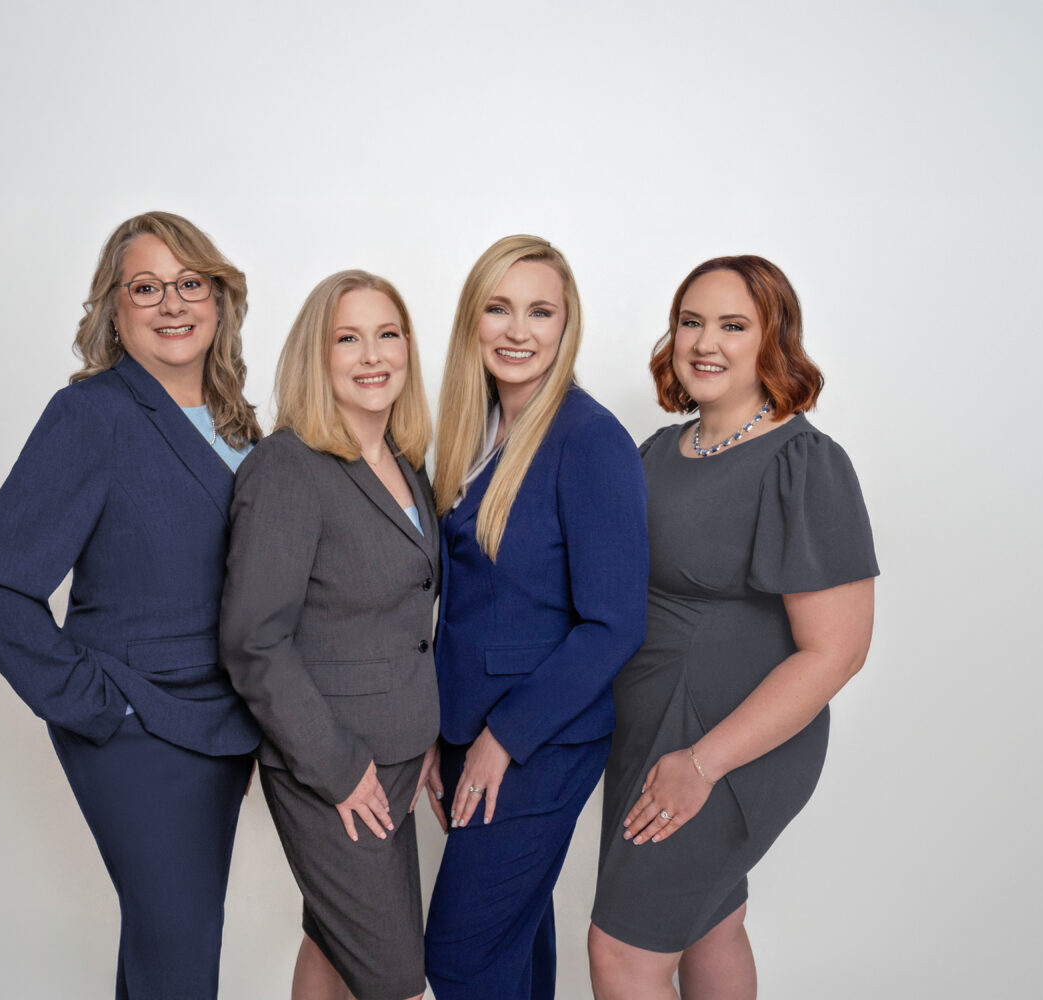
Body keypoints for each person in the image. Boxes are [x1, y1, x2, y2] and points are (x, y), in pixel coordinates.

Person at [0, 211, 262, 1000]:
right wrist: (101, 706)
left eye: (189, 283)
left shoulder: (241, 426)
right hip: (141, 729)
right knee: (180, 959)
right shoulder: (92, 415)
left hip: (223, 727)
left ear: (219, 299)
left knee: (169, 952)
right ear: (114, 310)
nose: (173, 303)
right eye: (146, 288)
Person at [588, 256, 879, 1000]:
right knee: (711, 927)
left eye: (733, 325)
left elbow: (838, 651)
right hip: (650, 734)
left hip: (725, 747)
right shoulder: (658, 451)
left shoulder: (802, 462)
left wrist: (703, 764)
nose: (705, 342)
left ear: (773, 341)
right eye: (691, 322)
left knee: (622, 954)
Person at [424, 235, 649, 1000]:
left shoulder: (589, 439)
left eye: (541, 312)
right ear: (473, 319)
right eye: (500, 308)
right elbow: (466, 604)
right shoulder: (475, 431)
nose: (518, 331)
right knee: (511, 950)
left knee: (462, 957)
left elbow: (614, 623)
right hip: (470, 730)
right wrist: (440, 729)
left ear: (567, 324)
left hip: (539, 742)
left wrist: (503, 740)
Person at [219, 270, 443, 1000]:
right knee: (397, 980)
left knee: (333, 944)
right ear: (317, 356)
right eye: (348, 338)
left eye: (387, 334)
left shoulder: (406, 464)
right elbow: (255, 642)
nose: (372, 355)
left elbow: (403, 620)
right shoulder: (286, 467)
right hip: (333, 764)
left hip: (399, 753)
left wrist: (424, 726)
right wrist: (339, 766)